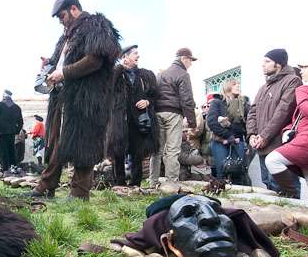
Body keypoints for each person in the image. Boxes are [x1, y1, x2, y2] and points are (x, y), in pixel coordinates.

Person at [23, 0, 120, 200]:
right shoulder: (67, 36)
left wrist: (64, 73)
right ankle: (45, 186)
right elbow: (63, 62)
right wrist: (50, 64)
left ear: (73, 9)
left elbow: (95, 60)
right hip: (63, 97)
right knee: (56, 142)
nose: (61, 21)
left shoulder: (96, 26)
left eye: (62, 16)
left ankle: (79, 193)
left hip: (87, 99)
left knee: (83, 143)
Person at [264, 61, 308, 201]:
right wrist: (287, 130)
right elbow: (300, 118)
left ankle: (291, 198)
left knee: (273, 160)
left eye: (305, 67)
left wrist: (303, 89)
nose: (301, 71)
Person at [246, 48, 302, 195]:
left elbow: (283, 111)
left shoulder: (292, 81)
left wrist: (265, 135)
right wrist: (251, 135)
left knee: (287, 188)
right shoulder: (262, 88)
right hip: (262, 145)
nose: (263, 65)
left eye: (267, 61)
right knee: (269, 186)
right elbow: (252, 113)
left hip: (280, 144)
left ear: (278, 64)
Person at [106, 45, 159, 186]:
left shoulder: (146, 75)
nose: (138, 56)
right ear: (126, 56)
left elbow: (155, 95)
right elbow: (108, 88)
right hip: (119, 120)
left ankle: (135, 184)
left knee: (137, 154)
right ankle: (119, 182)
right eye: (135, 53)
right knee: (118, 153)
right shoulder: (116, 73)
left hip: (139, 121)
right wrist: (118, 68)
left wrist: (147, 101)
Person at [149, 48, 198, 188]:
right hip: (173, 114)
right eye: (190, 60)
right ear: (184, 58)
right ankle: (171, 184)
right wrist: (192, 121)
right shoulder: (183, 74)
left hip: (158, 113)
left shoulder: (161, 74)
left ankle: (153, 183)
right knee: (172, 150)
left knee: (157, 150)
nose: (191, 63)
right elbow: (187, 100)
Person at [207, 78, 249, 185]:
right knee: (222, 173)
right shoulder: (217, 102)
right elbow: (211, 122)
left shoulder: (244, 103)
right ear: (227, 86)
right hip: (220, 141)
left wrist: (247, 143)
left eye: (238, 84)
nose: (238, 86)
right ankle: (223, 198)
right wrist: (227, 134)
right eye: (234, 84)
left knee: (238, 173)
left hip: (238, 142)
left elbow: (247, 125)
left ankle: (238, 198)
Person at [0, 90, 23, 173]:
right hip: (12, 132)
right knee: (12, 150)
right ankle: (14, 166)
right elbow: (20, 122)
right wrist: (16, 131)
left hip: (1, 132)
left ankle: (5, 169)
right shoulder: (16, 107)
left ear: (3, 96)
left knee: (3, 151)